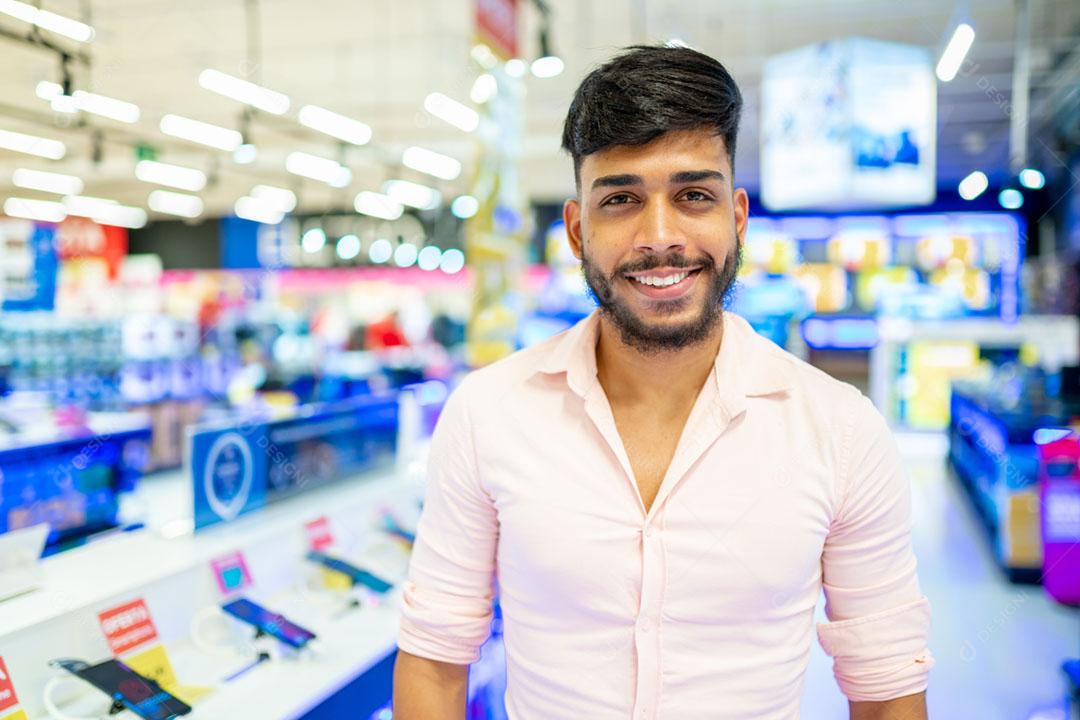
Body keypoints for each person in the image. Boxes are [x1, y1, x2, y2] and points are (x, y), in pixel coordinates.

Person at [393, 44, 932, 720]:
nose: (660, 236)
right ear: (576, 228)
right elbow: (435, 656)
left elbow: (885, 685)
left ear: (736, 217)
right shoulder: (487, 414)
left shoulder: (841, 430)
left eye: (693, 195)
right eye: (620, 198)